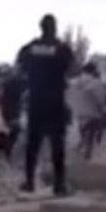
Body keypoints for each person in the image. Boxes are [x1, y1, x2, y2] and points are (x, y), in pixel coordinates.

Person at [17, 14, 75, 195]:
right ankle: (59, 185)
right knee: (57, 144)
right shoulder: (62, 49)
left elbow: (21, 69)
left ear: (40, 27)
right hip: (55, 101)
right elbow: (71, 69)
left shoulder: (29, 48)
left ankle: (29, 182)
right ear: (55, 28)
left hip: (36, 100)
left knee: (32, 143)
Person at [0, 69, 25, 159]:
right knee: (15, 131)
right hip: (12, 112)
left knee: (14, 131)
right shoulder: (14, 84)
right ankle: (9, 152)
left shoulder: (9, 84)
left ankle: (9, 151)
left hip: (10, 111)